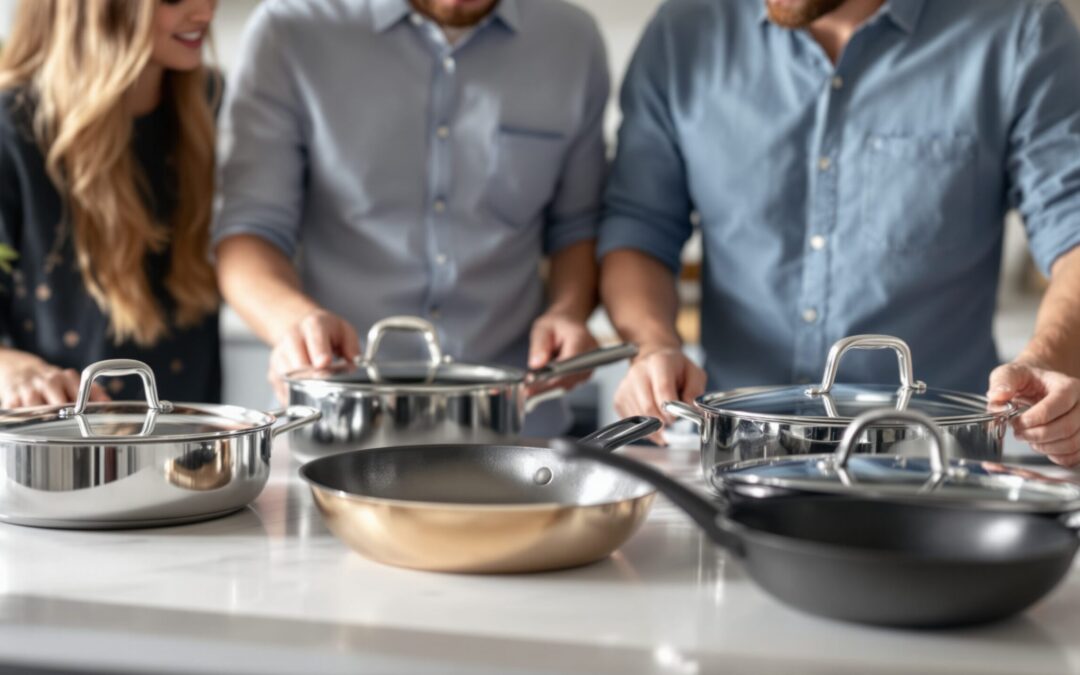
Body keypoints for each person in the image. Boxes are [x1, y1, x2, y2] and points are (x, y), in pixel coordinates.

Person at [600, 0, 1080, 464]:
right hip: (736, 459)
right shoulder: (681, 32)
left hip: (941, 467)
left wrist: (1046, 359)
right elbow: (638, 228)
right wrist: (654, 343)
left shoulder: (1021, 31)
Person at [214, 0, 608, 434]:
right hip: (337, 426)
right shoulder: (289, 30)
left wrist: (568, 312)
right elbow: (248, 234)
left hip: (519, 425)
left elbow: (578, 228)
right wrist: (296, 325)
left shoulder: (573, 41)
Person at [0, 0, 222, 408]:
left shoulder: (212, 104)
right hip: (59, 447)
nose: (206, 11)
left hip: (189, 443)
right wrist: (12, 369)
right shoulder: (13, 128)